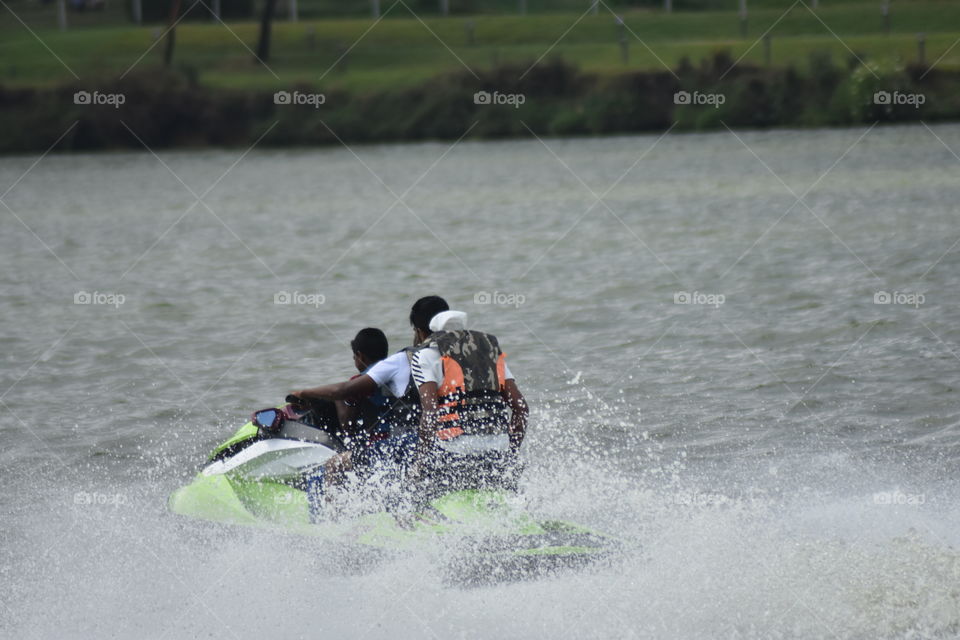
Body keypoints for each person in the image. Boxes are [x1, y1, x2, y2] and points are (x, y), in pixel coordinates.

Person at [406, 304, 528, 497]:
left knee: (413, 491)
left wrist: (419, 463)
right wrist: (511, 452)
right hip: (497, 453)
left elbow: (430, 412)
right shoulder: (492, 355)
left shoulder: (424, 356)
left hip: (453, 454)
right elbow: (521, 408)